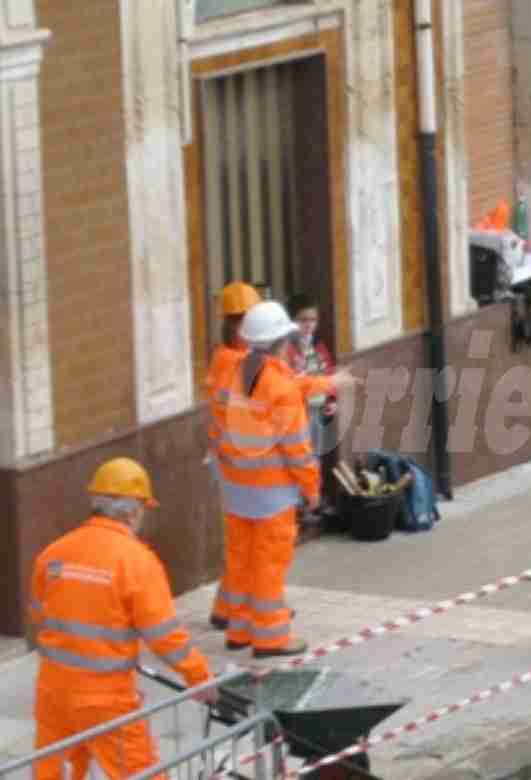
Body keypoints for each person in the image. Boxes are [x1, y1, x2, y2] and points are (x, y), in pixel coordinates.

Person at [29, 458, 216, 779]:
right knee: (139, 772)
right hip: (106, 700)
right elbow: (165, 637)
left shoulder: (54, 553)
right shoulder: (136, 561)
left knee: (52, 771)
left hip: (53, 692)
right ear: (132, 511)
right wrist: (200, 677)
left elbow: (38, 614)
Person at [217, 301, 319, 657]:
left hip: (235, 490)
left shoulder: (234, 373)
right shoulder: (280, 386)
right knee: (268, 567)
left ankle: (240, 631)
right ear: (281, 340)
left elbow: (218, 425)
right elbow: (297, 449)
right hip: (271, 495)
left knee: (241, 564)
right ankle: (271, 638)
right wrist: (312, 489)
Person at [207, 281, 262, 630]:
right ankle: (252, 608)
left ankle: (226, 607)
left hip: (233, 459)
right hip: (243, 462)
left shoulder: (225, 359)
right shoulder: (239, 364)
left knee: (243, 540)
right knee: (254, 540)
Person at [283, 293, 340, 514]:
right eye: (303, 320)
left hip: (316, 409)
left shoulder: (317, 346)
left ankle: (312, 498)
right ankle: (298, 502)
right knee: (299, 456)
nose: (308, 325)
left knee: (315, 454)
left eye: (312, 320)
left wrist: (331, 399)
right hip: (297, 412)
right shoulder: (288, 348)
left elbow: (327, 373)